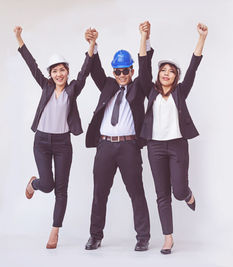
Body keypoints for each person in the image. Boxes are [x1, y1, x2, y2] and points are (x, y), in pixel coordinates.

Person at [14, 26, 96, 249]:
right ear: (50, 74)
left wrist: (91, 45)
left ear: (67, 72)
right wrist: (20, 38)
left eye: (62, 70)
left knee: (61, 189)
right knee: (47, 185)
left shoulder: (73, 89)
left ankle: (55, 231)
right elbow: (32, 66)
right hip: (41, 141)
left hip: (62, 144)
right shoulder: (46, 87)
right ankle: (34, 183)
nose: (59, 74)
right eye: (55, 71)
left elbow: (85, 71)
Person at [84, 22, 153, 251]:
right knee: (99, 193)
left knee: (136, 192)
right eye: (118, 71)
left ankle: (142, 237)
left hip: (128, 147)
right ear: (114, 72)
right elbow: (95, 68)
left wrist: (144, 38)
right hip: (104, 146)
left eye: (125, 70)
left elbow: (146, 69)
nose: (122, 75)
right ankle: (95, 235)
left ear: (131, 70)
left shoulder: (139, 87)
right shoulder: (107, 85)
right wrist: (93, 43)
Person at [140, 23, 208, 254]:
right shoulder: (149, 91)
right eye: (163, 70)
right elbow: (143, 65)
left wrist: (202, 38)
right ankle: (168, 238)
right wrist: (145, 38)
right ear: (159, 75)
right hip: (155, 146)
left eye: (171, 70)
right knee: (162, 195)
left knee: (178, 191)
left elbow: (193, 67)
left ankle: (187, 194)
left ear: (175, 76)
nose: (166, 72)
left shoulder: (180, 91)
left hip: (178, 145)